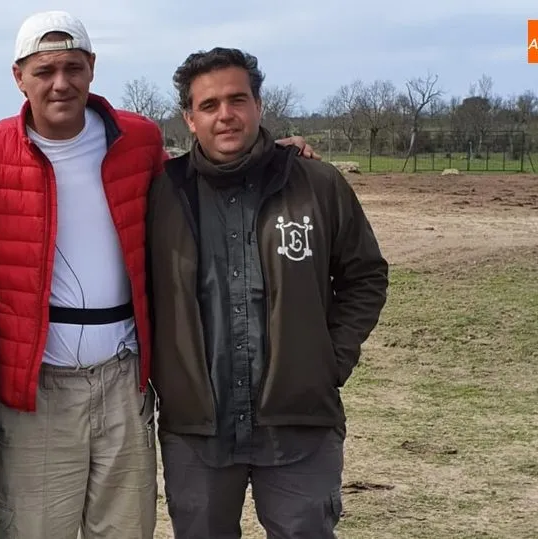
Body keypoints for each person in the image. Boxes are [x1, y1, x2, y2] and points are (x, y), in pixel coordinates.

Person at [0, 11, 317, 538]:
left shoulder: (136, 139)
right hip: (36, 387)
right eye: (44, 71)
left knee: (126, 528)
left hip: (124, 379)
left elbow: (200, 169)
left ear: (92, 69)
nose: (60, 83)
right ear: (19, 77)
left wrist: (273, 157)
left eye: (73, 67)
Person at [146, 47, 389, 538]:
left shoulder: (316, 184)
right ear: (189, 119)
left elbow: (365, 275)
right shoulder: (159, 195)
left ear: (259, 104)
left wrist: (330, 359)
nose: (226, 115)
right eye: (209, 105)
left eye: (238, 99)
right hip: (197, 429)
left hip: (299, 423)